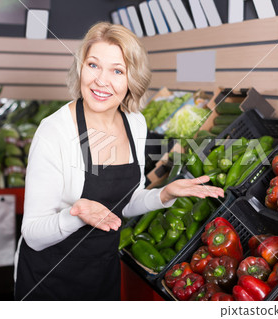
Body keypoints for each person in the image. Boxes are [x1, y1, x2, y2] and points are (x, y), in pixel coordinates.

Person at [14, 22, 224, 301]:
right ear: (80, 68)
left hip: (102, 274)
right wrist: (75, 214)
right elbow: (33, 235)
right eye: (93, 65)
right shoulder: (55, 132)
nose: (101, 80)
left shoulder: (134, 123)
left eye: (117, 71)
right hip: (49, 279)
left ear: (131, 79)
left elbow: (124, 204)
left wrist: (164, 194)